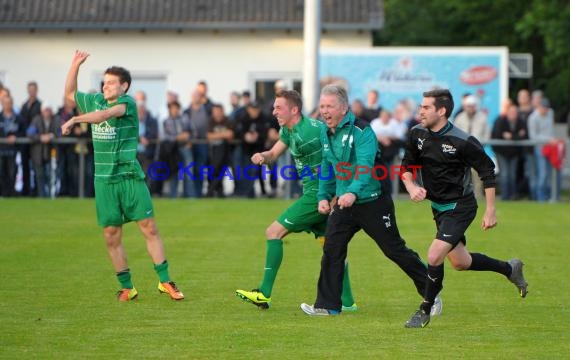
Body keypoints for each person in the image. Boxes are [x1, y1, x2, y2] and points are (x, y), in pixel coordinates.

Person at [300, 84, 439, 316]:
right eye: (322, 106)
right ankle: (327, 306)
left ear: (343, 108)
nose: (324, 111)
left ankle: (431, 294)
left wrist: (352, 192)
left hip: (372, 201)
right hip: (345, 204)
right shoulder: (325, 131)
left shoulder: (363, 132)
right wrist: (323, 196)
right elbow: (327, 165)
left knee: (394, 250)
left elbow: (364, 169)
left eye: (329, 106)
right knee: (332, 249)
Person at [60, 50, 184, 301]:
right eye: (104, 82)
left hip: (129, 176)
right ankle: (128, 286)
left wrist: (75, 119)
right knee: (111, 235)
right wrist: (74, 65)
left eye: (111, 82)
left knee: (149, 227)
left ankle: (165, 281)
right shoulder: (94, 100)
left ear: (124, 86)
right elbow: (70, 94)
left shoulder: (126, 103)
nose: (105, 86)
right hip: (104, 181)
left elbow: (104, 116)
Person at [400, 89, 528, 328]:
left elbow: (488, 171)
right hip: (439, 207)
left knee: (434, 254)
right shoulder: (417, 133)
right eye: (421, 106)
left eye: (426, 107)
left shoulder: (462, 140)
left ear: (442, 111)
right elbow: (407, 165)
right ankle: (510, 269)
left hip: (461, 206)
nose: (421, 111)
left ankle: (424, 310)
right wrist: (410, 185)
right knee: (461, 262)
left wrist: (490, 210)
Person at [236, 89, 357, 311]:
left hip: (317, 195)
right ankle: (348, 302)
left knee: (273, 232)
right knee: (333, 247)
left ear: (294, 110)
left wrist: (332, 194)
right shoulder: (288, 130)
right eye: (274, 107)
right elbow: (274, 154)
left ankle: (264, 293)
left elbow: (336, 158)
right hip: (315, 193)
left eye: (278, 107)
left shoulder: (311, 131)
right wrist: (263, 156)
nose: (274, 112)